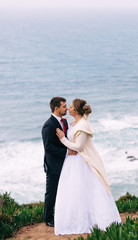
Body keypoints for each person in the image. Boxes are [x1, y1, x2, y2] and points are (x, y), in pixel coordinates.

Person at [54, 98, 122, 235]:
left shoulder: (83, 126)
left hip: (82, 162)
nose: (68, 109)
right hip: (72, 162)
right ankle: (77, 220)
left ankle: (94, 221)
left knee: (88, 190)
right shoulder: (73, 123)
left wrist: (62, 138)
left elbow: (78, 147)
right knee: (75, 192)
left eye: (71, 107)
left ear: (77, 110)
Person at [41, 96, 77, 227]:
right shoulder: (48, 125)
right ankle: (48, 218)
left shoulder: (64, 122)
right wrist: (68, 152)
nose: (66, 108)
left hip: (66, 163)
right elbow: (48, 148)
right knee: (52, 192)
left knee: (66, 190)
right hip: (54, 165)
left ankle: (63, 214)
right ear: (56, 108)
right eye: (64, 106)